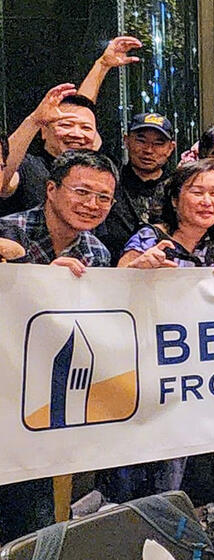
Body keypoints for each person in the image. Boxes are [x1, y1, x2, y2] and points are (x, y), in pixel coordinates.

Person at [0, 149, 117, 542]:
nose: (92, 205)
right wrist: (33, 282)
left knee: (41, 521)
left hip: (51, 404)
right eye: (82, 192)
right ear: (51, 189)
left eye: (103, 198)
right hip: (6, 396)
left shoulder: (97, 252)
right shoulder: (8, 232)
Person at [107, 159, 214, 503]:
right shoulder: (149, 239)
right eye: (197, 192)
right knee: (145, 479)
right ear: (176, 199)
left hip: (200, 380)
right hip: (147, 377)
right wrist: (138, 269)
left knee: (193, 477)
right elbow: (110, 293)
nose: (208, 201)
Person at [0, 88, 100, 216]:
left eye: (86, 128)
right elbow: (3, 179)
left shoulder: (97, 177)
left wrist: (101, 67)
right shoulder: (28, 167)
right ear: (44, 131)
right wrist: (34, 120)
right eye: (66, 125)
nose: (76, 134)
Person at [95, 113, 176, 259]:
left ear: (171, 148)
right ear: (126, 140)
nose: (148, 150)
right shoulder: (109, 184)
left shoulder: (178, 189)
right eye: (141, 140)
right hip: (111, 271)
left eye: (158, 143)